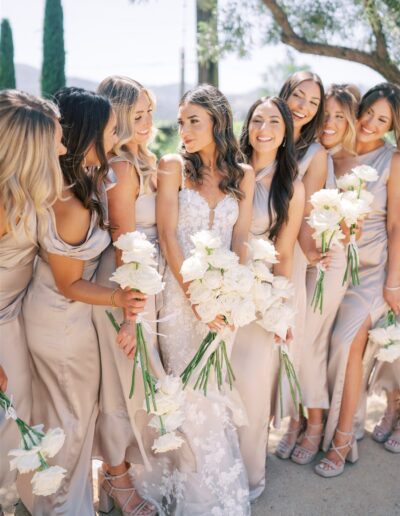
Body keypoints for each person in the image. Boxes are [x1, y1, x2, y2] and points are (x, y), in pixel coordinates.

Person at [22, 87, 142, 515]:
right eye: (110, 130)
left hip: (65, 320)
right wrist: (120, 297)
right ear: (87, 134)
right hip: (60, 322)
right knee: (70, 424)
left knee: (67, 420)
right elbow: (69, 282)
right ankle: (62, 508)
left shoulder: (80, 184)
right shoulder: (71, 203)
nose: (117, 138)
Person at [154, 84, 254, 514]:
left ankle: (218, 491)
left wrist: (234, 294)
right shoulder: (172, 166)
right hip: (179, 299)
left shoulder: (242, 175)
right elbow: (166, 236)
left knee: (212, 391)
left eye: (193, 120)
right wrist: (196, 298)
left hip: (225, 300)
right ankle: (192, 494)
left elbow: (242, 237)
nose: (184, 130)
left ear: (217, 120)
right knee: (187, 392)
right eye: (180, 122)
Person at [315, 82, 400, 477]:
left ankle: (344, 437)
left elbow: (397, 224)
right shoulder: (333, 155)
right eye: (369, 113)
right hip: (333, 267)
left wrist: (393, 282)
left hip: (372, 271)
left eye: (383, 120)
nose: (371, 123)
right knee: (323, 343)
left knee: (346, 340)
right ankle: (315, 424)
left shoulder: (393, 160)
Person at [93, 75, 161, 516]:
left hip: (142, 284)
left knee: (138, 386)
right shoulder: (119, 167)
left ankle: (119, 472)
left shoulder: (143, 161)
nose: (148, 123)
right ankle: (116, 477)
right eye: (137, 115)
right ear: (116, 119)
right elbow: (124, 240)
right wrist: (131, 315)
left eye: (151, 112)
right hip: (125, 285)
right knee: (122, 387)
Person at [231, 96, 304, 498]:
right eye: (257, 119)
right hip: (217, 289)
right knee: (216, 388)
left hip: (258, 295)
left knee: (253, 386)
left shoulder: (290, 185)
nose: (264, 128)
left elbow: (287, 251)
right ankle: (214, 471)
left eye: (274, 121)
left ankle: (250, 474)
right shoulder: (227, 169)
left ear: (285, 132)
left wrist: (280, 309)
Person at [0, 90, 64, 506]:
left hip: (13, 322)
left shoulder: (26, 194)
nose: (63, 147)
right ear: (31, 149)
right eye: (56, 139)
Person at [291, 84, 360, 464]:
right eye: (326, 115)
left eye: (339, 116)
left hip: (330, 260)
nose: (330, 123)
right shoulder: (308, 151)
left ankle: (314, 422)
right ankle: (298, 419)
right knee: (297, 336)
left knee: (310, 338)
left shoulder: (351, 162)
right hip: (301, 256)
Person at [276, 71, 330, 458]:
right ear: (284, 94)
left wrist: (311, 253)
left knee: (292, 343)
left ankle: (302, 422)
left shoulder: (315, 155)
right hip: (249, 250)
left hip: (290, 255)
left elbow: (306, 216)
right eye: (298, 96)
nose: (303, 107)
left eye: (313, 103)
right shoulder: (264, 135)